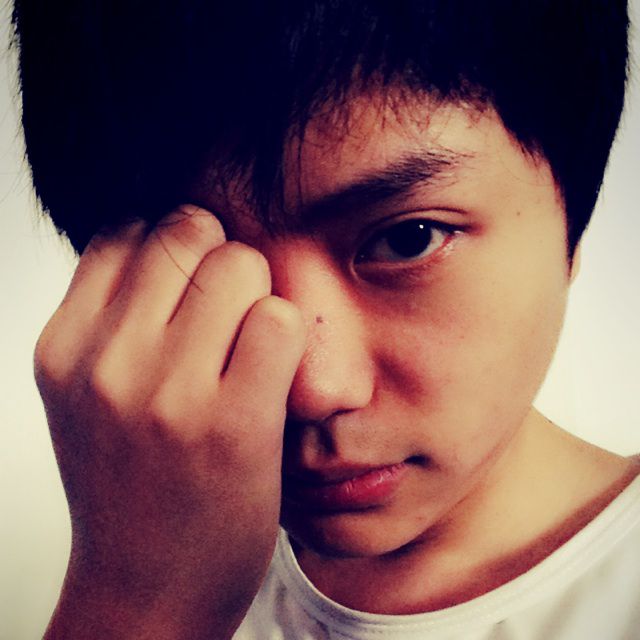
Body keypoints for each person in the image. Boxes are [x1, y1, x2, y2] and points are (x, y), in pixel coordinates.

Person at [10, 1, 640, 638]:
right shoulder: (135, 567)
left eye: (409, 239)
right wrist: (133, 603)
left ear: (572, 220)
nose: (312, 389)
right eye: (201, 274)